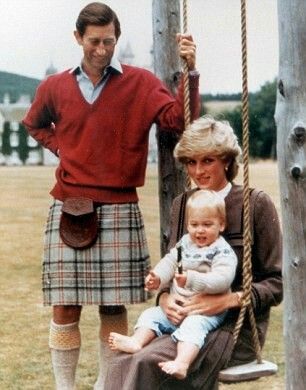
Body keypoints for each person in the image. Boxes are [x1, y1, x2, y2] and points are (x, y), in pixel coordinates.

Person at [22, 2, 200, 389]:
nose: (102, 49)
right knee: (65, 305)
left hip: (120, 204)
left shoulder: (139, 81)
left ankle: (108, 385)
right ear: (78, 39)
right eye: (94, 41)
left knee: (112, 306)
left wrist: (190, 72)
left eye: (109, 41)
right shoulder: (54, 86)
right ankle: (64, 387)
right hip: (69, 204)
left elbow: (178, 120)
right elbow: (33, 123)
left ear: (116, 39)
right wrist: (61, 150)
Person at [104, 115, 283, 390]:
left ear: (226, 160)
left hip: (232, 328)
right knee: (121, 360)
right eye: (191, 162)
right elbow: (174, 267)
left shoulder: (255, 204)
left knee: (146, 363)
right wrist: (164, 299)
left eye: (207, 160)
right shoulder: (183, 204)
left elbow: (277, 283)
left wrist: (226, 301)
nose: (198, 171)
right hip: (182, 322)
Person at [108, 189, 237, 380]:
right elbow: (169, 262)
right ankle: (137, 341)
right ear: (187, 225)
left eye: (207, 225)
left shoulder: (222, 251)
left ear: (221, 225)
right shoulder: (185, 244)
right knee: (151, 314)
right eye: (194, 225)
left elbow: (222, 279)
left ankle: (182, 363)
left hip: (206, 312)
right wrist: (158, 277)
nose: (200, 230)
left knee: (193, 327)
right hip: (177, 308)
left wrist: (192, 279)